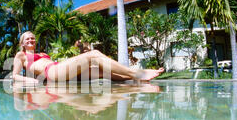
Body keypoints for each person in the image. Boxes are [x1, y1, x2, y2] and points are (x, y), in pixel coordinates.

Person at [12, 31, 164, 85]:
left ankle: (134, 79)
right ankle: (137, 73)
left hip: (59, 69)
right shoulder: (21, 55)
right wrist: (31, 80)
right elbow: (15, 76)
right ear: (22, 43)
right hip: (50, 71)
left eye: (33, 39)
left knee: (100, 71)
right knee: (94, 55)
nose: (31, 41)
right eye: (28, 39)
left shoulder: (44, 53)